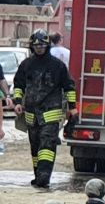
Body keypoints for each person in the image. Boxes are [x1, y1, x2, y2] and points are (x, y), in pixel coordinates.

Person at [12, 29, 77, 189]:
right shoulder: (26, 64)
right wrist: (18, 102)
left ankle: (44, 177)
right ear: (32, 46)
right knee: (35, 147)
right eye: (36, 45)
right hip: (31, 113)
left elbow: (69, 87)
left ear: (47, 45)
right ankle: (38, 175)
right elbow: (18, 85)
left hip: (51, 112)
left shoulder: (57, 66)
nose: (39, 47)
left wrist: (72, 108)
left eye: (42, 45)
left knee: (47, 146)